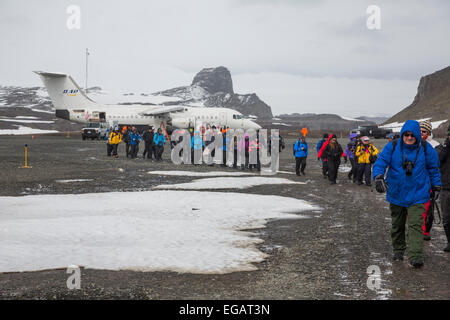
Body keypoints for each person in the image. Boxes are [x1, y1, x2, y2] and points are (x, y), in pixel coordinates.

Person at [373, 120, 441, 268]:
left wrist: (436, 185)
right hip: (397, 193)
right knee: (397, 224)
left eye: (412, 135)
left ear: (417, 135)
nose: (409, 137)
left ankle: (416, 256)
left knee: (415, 225)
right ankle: (398, 249)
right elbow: (381, 162)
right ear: (403, 134)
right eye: (406, 134)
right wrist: (378, 176)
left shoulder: (426, 149)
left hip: (418, 193)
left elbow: (433, 169)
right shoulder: (393, 146)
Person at [419, 120, 441, 240]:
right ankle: (416, 230)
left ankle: (426, 231)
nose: (421, 133)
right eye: (420, 130)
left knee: (429, 210)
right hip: (415, 183)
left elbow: (436, 167)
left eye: (424, 131)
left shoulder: (435, 145)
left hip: (428, 183)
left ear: (428, 132)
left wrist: (436, 184)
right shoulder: (411, 142)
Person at [436, 125, 450, 252]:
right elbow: (437, 161)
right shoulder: (442, 148)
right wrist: (446, 147)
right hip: (446, 188)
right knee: (446, 218)